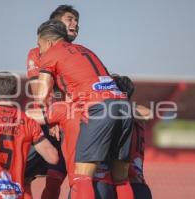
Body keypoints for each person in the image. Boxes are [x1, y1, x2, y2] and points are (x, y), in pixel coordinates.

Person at [35, 20, 133, 199]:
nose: (39, 51)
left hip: (98, 108)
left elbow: (41, 95)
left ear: (48, 42)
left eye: (39, 46)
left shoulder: (50, 54)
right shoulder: (85, 49)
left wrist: (48, 116)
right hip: (123, 105)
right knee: (121, 178)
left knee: (82, 176)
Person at [25, 5, 79, 199]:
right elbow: (38, 89)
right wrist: (52, 116)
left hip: (67, 123)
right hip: (44, 121)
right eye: (70, 19)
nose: (75, 23)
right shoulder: (36, 52)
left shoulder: (78, 53)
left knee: (57, 179)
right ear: (56, 24)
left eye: (76, 21)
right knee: (22, 172)